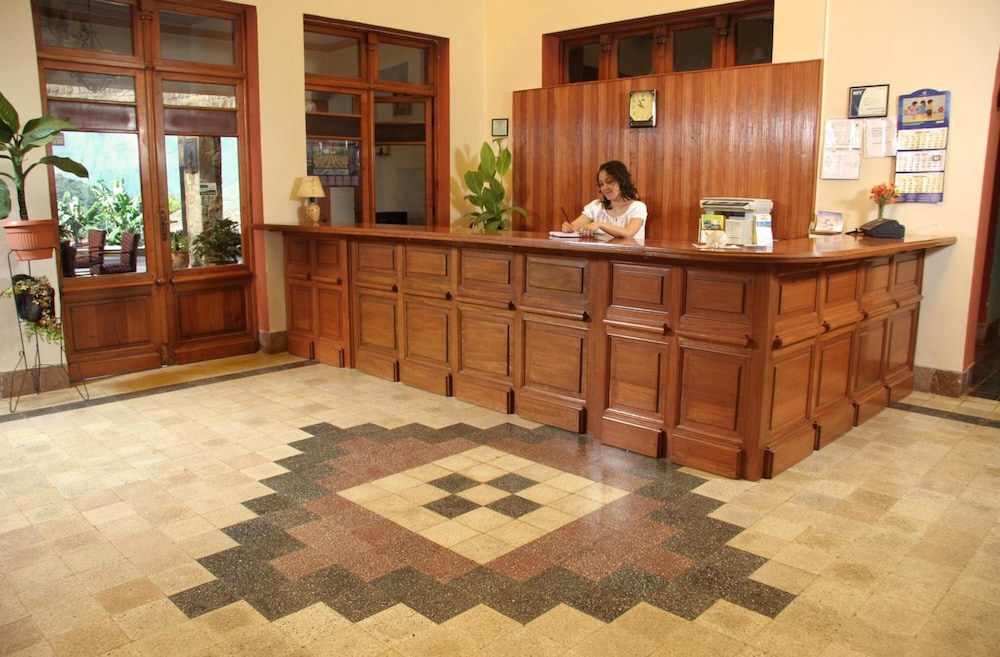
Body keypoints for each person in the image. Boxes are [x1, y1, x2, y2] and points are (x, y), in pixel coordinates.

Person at [561, 160, 647, 239]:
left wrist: (599, 224)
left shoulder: (637, 207)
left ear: (622, 181)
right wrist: (568, 228)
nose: (604, 188)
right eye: (601, 184)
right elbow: (574, 227)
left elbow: (629, 233)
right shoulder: (596, 206)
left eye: (609, 182)